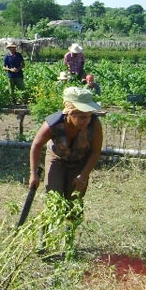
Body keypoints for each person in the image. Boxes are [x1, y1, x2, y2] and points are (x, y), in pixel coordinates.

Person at [28, 87, 103, 250]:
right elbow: (36, 145)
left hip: (80, 163)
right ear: (69, 112)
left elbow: (96, 151)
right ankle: (44, 242)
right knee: (53, 198)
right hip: (57, 159)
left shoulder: (94, 125)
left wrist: (83, 176)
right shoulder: (53, 123)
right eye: (82, 117)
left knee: (74, 202)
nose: (87, 120)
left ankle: (67, 244)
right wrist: (33, 174)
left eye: (89, 116)